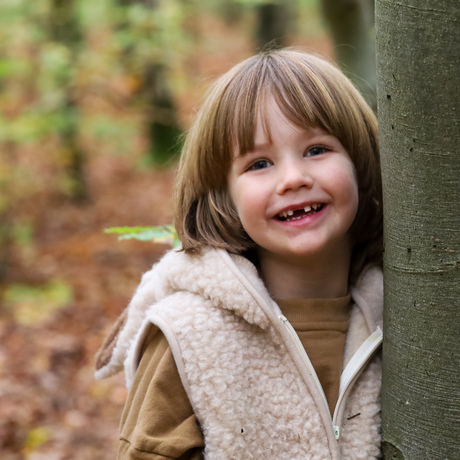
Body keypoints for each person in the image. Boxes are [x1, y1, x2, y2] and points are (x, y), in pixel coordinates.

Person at [95, 49, 383, 460]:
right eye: (260, 163)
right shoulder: (188, 338)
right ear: (223, 197)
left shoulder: (403, 319)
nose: (294, 179)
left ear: (360, 162)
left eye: (317, 150)